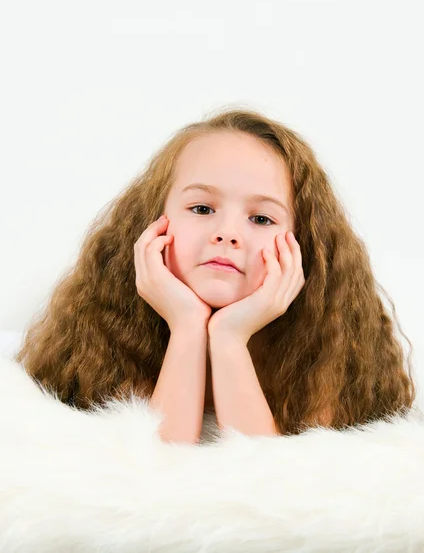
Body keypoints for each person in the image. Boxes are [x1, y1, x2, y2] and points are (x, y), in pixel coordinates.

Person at [13, 107, 417, 444]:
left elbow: (273, 488)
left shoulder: (325, 351)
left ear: (302, 247)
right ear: (151, 224)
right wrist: (187, 326)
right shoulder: (106, 335)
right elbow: (147, 479)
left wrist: (229, 337)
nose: (227, 234)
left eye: (261, 218)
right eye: (202, 209)